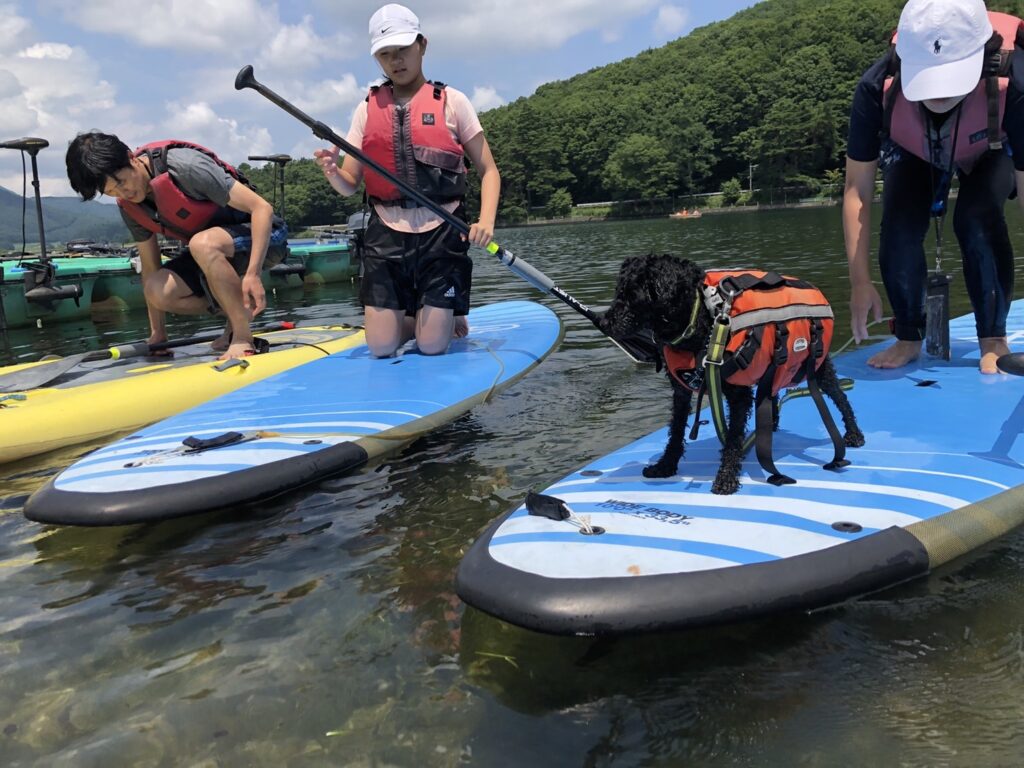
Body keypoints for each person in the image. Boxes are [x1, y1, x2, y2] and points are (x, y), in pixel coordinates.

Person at [843, 0, 1023, 374]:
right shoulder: (876, 88)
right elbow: (857, 190)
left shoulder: (1016, 84)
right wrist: (859, 282)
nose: (939, 94)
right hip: (915, 148)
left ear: (984, 56)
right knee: (900, 226)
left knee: (975, 217)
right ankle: (908, 336)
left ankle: (992, 337)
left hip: (991, 144)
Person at [314, 3, 501, 357]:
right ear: (378, 60)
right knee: (382, 348)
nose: (395, 61)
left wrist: (487, 220)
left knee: (432, 347)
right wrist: (333, 173)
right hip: (386, 233)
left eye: (402, 50)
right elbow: (350, 184)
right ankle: (426, 314)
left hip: (442, 232)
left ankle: (439, 315)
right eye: (385, 55)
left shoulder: (452, 102)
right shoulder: (366, 109)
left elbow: (489, 171)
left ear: (422, 45)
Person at [65, 132, 288, 360]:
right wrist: (158, 334)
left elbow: (262, 208)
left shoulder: (185, 166)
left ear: (131, 157)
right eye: (112, 192)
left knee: (202, 244)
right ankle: (238, 313)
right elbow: (150, 267)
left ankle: (242, 337)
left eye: (122, 182)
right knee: (157, 289)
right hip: (209, 252)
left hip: (267, 237)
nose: (125, 193)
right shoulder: (130, 208)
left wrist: (253, 274)